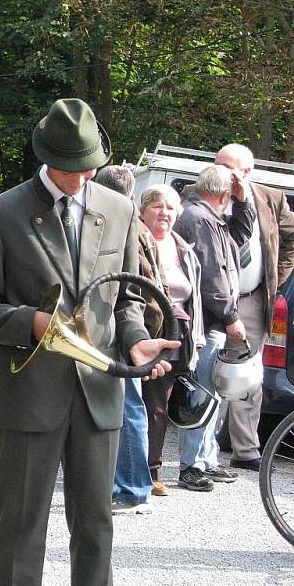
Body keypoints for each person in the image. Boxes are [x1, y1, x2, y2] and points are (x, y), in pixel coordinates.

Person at [0, 98, 179, 586]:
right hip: (29, 393)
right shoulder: (3, 211)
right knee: (19, 528)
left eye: (89, 169)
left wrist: (137, 341)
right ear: (45, 158)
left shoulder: (119, 209)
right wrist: (31, 322)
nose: (80, 180)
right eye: (68, 170)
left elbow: (125, 298)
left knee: (97, 527)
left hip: (99, 392)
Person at [173, 164, 254, 491]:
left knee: (213, 393)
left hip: (212, 322)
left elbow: (239, 235)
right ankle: (191, 465)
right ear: (223, 194)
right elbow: (211, 276)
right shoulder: (201, 220)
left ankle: (205, 459)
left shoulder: (210, 218)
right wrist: (231, 315)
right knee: (202, 394)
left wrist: (244, 202)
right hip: (207, 324)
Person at [215, 143, 294, 471]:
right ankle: (195, 453)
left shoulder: (272, 199)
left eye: (230, 167)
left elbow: (291, 238)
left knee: (247, 378)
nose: (223, 173)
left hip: (250, 299)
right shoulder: (195, 193)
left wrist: (277, 278)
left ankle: (246, 450)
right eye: (218, 164)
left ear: (247, 172)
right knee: (203, 372)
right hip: (208, 299)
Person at [136, 185, 205, 496]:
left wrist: (197, 340)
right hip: (145, 329)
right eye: (157, 206)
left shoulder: (183, 247)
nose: (164, 213)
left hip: (178, 333)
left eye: (170, 208)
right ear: (143, 210)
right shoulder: (136, 240)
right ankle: (134, 470)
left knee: (160, 405)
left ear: (178, 214)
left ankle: (153, 469)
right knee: (141, 404)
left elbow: (196, 298)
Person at [94, 165, 153, 513]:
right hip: (131, 328)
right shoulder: (133, 223)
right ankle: (129, 485)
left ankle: (132, 488)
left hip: (122, 330)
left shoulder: (125, 226)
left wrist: (136, 336)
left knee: (128, 407)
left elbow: (136, 288)